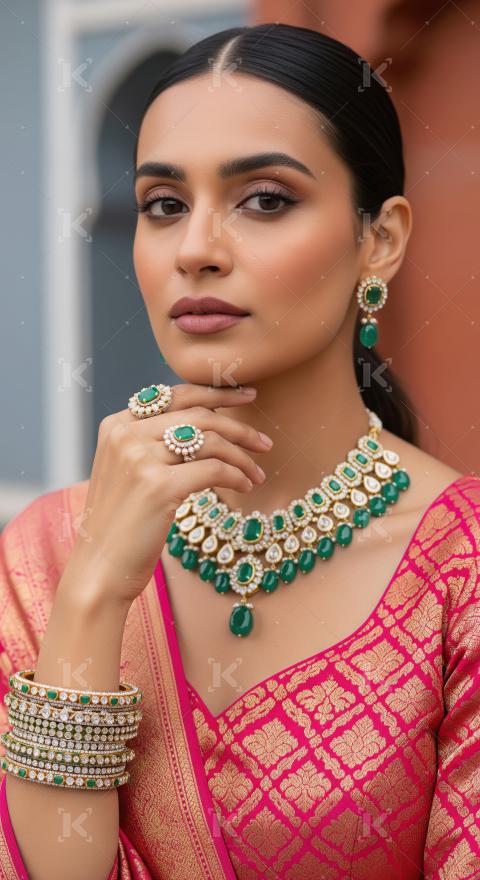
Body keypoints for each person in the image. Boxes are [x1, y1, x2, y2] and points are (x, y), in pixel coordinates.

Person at [0, 21, 478, 880]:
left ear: (383, 238)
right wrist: (97, 587)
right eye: (164, 206)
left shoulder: (462, 568)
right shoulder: (44, 556)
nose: (196, 251)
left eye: (265, 199)